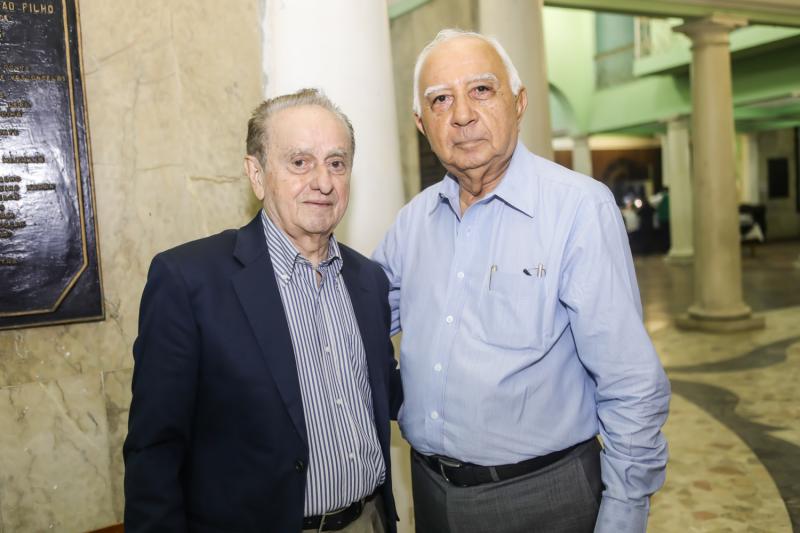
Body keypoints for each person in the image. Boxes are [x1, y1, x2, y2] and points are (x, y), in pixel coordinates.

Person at [373, 29, 670, 533]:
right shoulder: (412, 223)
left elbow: (630, 382)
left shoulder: (578, 209)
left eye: (481, 90)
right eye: (440, 99)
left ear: (519, 102)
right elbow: (356, 325)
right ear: (422, 124)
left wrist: (624, 510)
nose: (462, 114)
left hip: (544, 497)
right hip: (432, 491)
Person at [124, 88, 401, 533]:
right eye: (300, 162)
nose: (323, 182)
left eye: (337, 163)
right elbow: (155, 450)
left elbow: (387, 388)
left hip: (369, 521)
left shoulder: (368, 281)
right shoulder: (189, 282)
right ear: (256, 174)